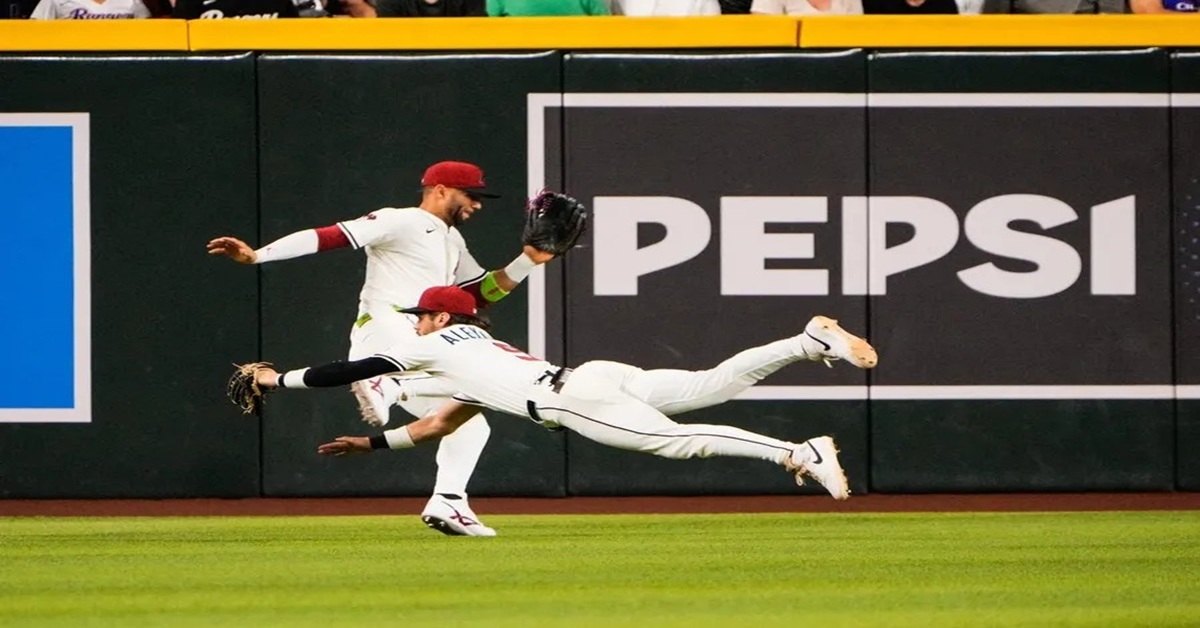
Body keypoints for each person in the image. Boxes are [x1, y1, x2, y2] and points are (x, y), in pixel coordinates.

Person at [240, 285, 881, 502]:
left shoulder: (435, 344)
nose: (414, 322)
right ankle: (804, 343)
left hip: (574, 400)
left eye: (420, 314)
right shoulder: (477, 352)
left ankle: (799, 454)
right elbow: (445, 420)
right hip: (591, 377)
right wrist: (375, 442)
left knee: (679, 444)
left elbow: (346, 372)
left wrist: (278, 380)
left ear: (440, 317)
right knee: (708, 385)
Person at [208, 161, 557, 537]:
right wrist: (259, 255)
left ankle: (448, 502)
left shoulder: (452, 241)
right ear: (440, 190)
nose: (478, 203)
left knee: (469, 424)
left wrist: (528, 262)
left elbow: (478, 296)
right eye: (470, 194)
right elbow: (330, 236)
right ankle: (385, 383)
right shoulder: (401, 220)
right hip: (386, 327)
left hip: (420, 340)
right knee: (465, 374)